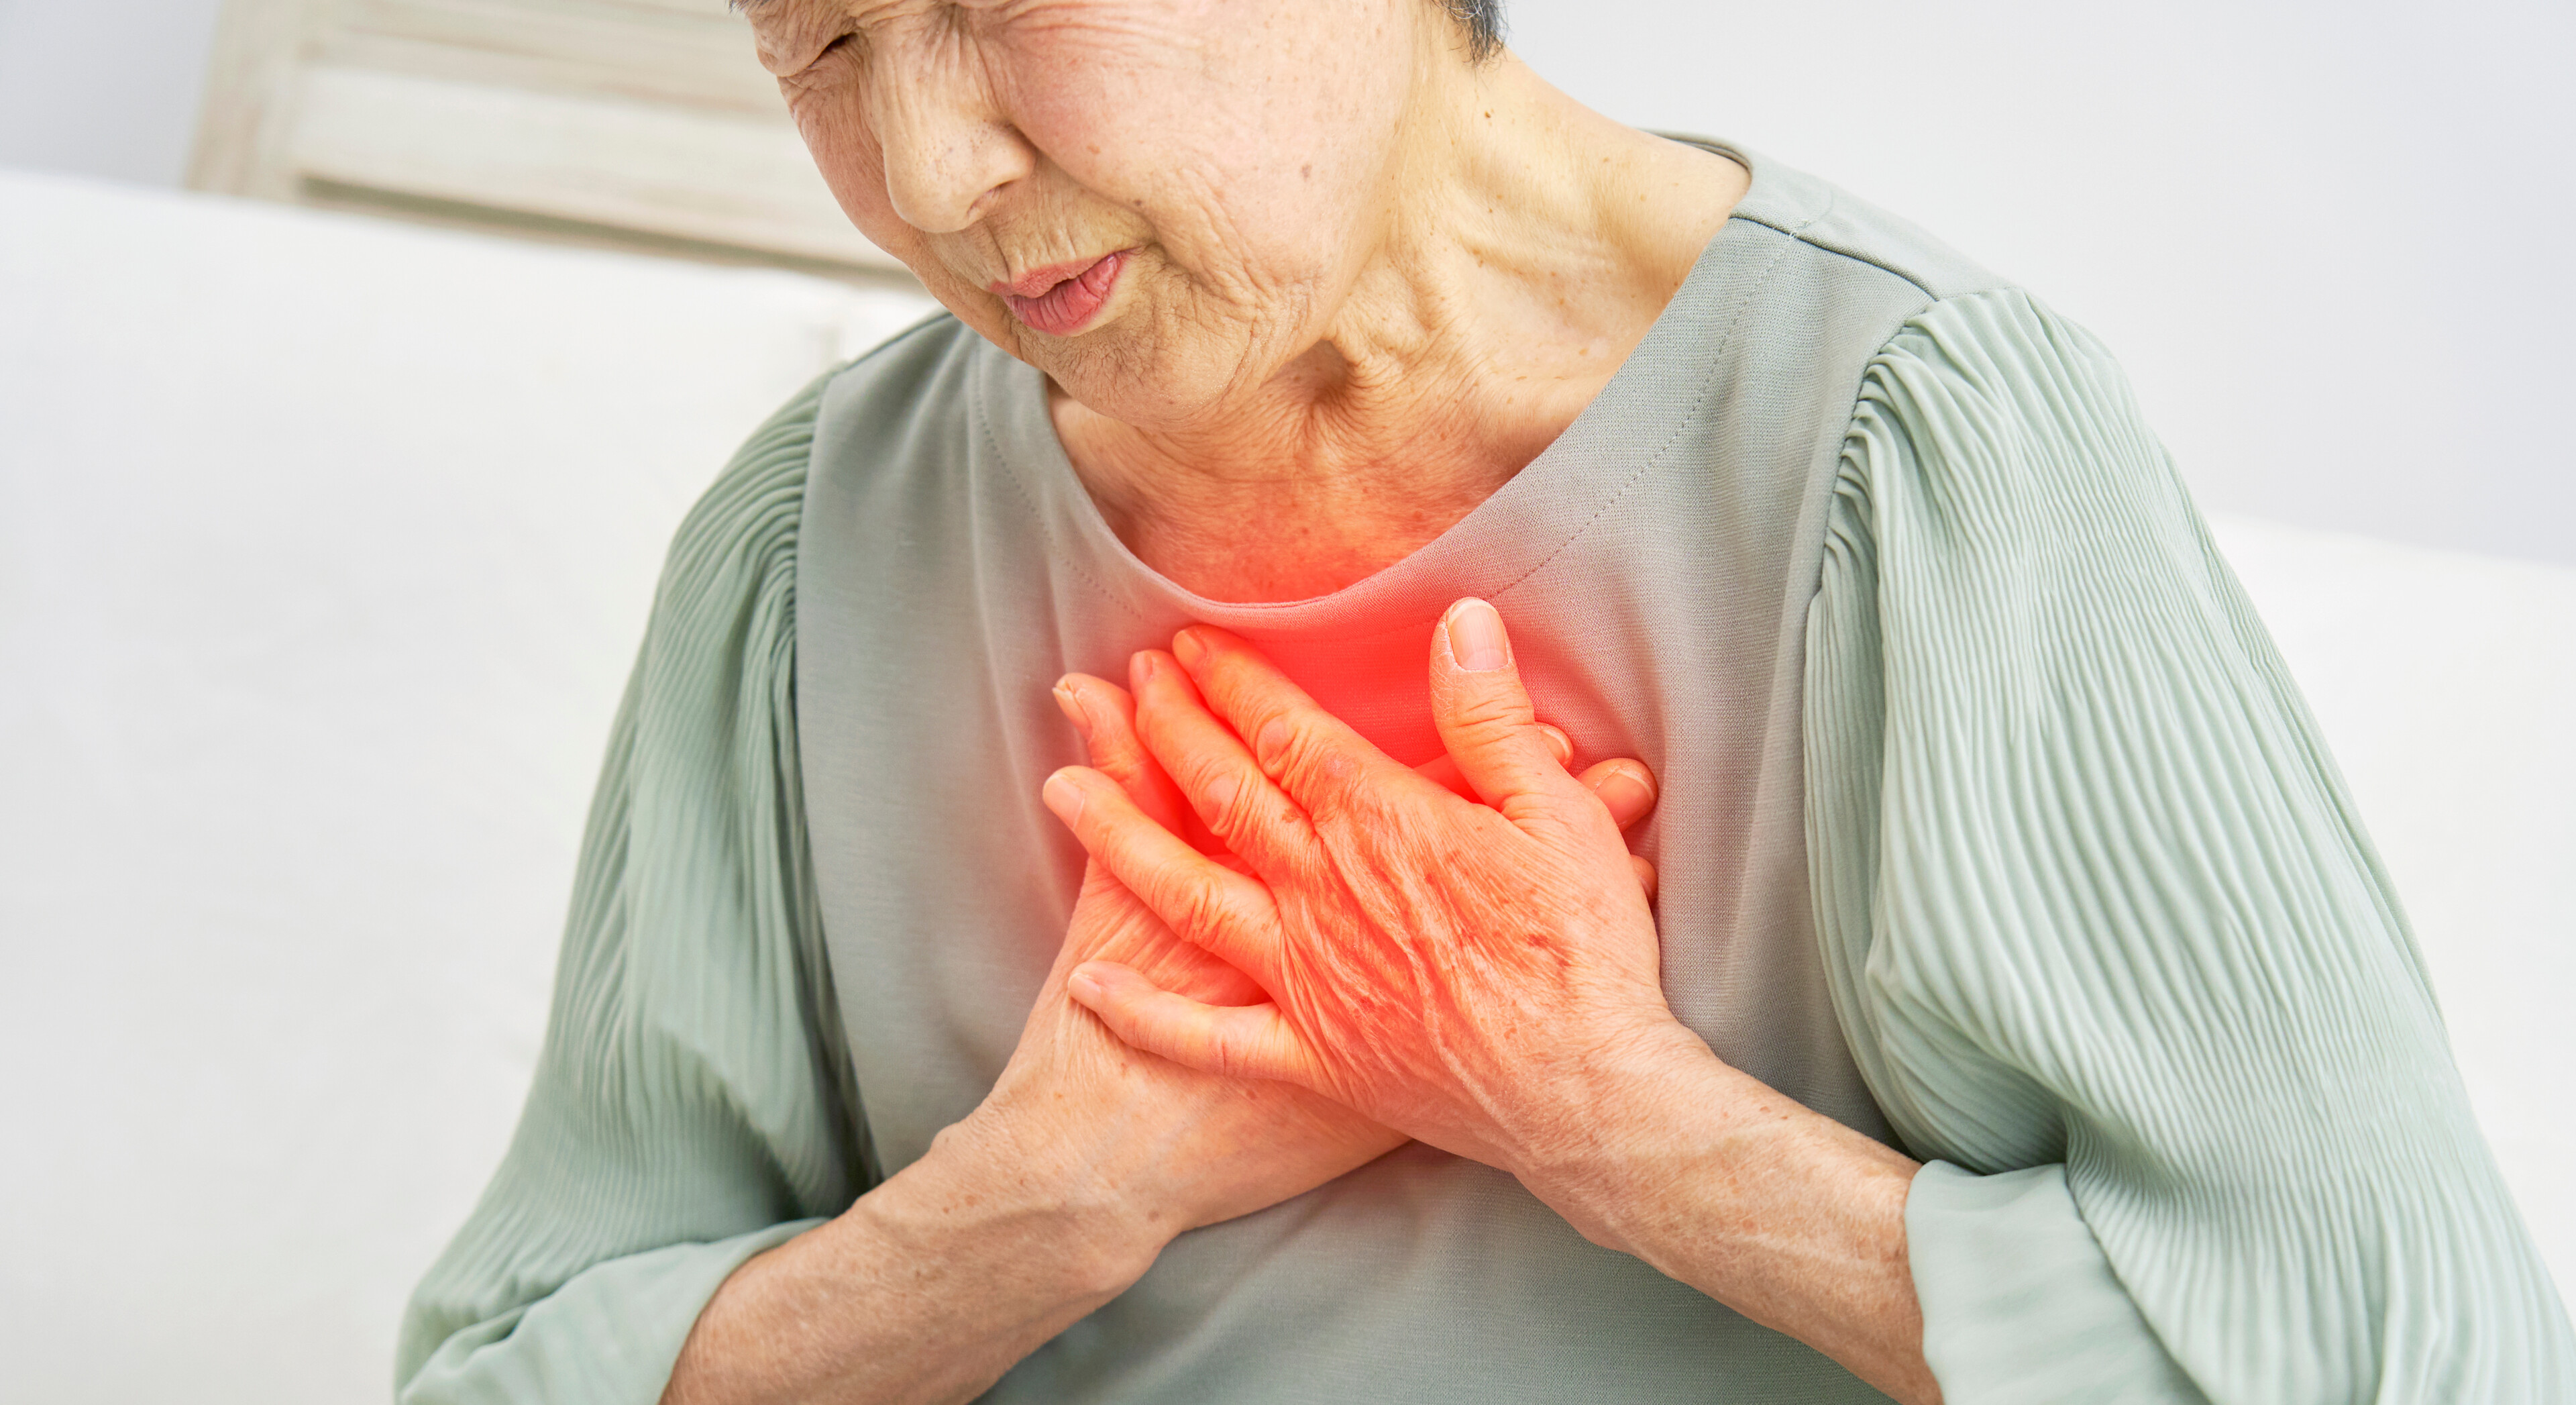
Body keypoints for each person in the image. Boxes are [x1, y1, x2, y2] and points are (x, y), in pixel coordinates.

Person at [396, 0, 2574, 1401]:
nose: (936, 169)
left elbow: (2407, 1365)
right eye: (827, 44)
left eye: (1003, 0)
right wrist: (1045, 1200)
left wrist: (1600, 1113)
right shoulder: (805, 549)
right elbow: (501, 1378)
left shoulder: (1919, 440)